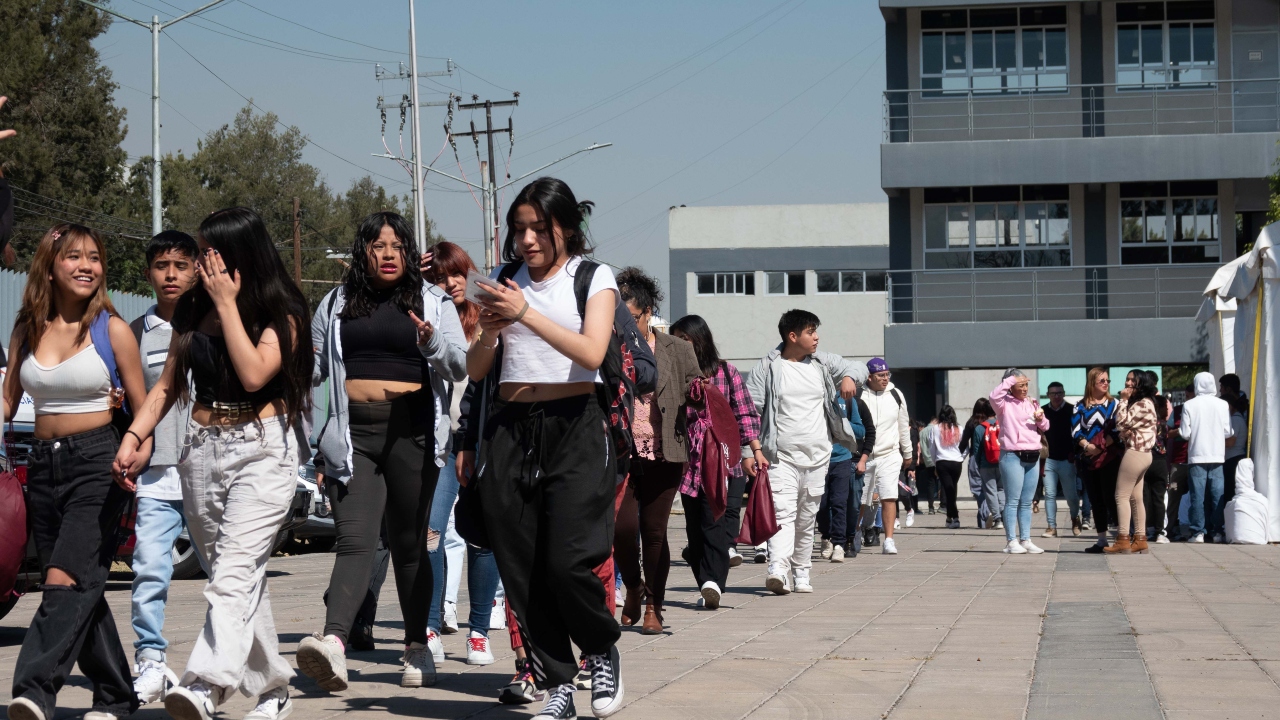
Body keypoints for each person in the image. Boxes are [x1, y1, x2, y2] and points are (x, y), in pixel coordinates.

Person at [114, 207, 315, 720]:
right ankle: (273, 690)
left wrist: (227, 305)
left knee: (231, 575)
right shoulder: (191, 306)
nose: (199, 262)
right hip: (201, 450)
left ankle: (205, 683)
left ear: (238, 253)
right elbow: (167, 385)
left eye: (208, 251)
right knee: (239, 576)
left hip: (262, 449)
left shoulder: (284, 309)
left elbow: (252, 374)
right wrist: (137, 435)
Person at [463, 177, 624, 719]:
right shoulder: (504, 281)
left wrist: (524, 314)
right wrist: (489, 329)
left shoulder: (591, 277)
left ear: (566, 229)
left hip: (575, 423)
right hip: (511, 426)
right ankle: (558, 684)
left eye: (539, 229)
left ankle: (601, 647)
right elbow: (476, 368)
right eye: (518, 229)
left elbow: (594, 350)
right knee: (522, 565)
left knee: (569, 559)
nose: (526, 240)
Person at [299, 212, 468, 693]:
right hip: (354, 436)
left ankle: (417, 645)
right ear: (363, 252)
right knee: (355, 540)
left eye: (397, 245)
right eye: (378, 244)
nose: (388, 253)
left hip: (412, 432)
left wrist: (431, 341)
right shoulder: (333, 304)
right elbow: (315, 374)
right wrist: (313, 445)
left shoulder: (433, 300)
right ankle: (334, 643)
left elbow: (459, 366)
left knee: (411, 546)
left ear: (410, 253)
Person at [6, 223, 150, 720]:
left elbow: (144, 410)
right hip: (42, 466)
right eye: (74, 256)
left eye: (94, 256)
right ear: (50, 265)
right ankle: (115, 695)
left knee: (63, 580)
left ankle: (33, 691)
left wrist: (137, 452)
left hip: (98, 463)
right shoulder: (26, 328)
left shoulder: (111, 330)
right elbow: (7, 401)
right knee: (82, 585)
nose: (87, 265)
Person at [419, 241, 503, 667]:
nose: (448, 284)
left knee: (481, 538)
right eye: (438, 277)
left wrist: (477, 289)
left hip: (484, 441)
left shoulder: (487, 315)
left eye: (456, 274)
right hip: (443, 442)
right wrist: (417, 284)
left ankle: (478, 633)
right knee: (431, 533)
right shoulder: (430, 313)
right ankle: (431, 626)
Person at [128, 231, 199, 706]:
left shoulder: (214, 323)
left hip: (210, 473)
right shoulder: (135, 332)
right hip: (156, 475)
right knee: (149, 569)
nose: (170, 274)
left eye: (179, 264)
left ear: (196, 269)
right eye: (161, 265)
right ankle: (150, 660)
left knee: (230, 578)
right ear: (149, 272)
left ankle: (229, 667)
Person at [745, 309, 861, 592]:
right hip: (779, 456)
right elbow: (749, 411)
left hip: (818, 455)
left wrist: (849, 377)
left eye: (816, 331)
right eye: (811, 332)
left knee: (806, 518)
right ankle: (778, 569)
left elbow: (859, 366)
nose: (816, 337)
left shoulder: (822, 363)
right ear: (792, 336)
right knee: (783, 513)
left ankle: (802, 572)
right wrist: (747, 452)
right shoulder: (768, 368)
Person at [612, 268, 700, 632]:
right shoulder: (606, 345)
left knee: (654, 531)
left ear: (648, 312)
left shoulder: (677, 349)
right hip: (621, 450)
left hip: (666, 451)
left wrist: (696, 392)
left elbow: (696, 388)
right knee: (621, 529)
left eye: (631, 318)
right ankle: (632, 587)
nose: (625, 326)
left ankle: (654, 605)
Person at [670, 315, 764, 605]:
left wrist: (755, 451)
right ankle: (705, 583)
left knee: (715, 522)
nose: (680, 345)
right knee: (694, 528)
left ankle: (714, 581)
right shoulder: (672, 375)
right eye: (676, 339)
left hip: (721, 460)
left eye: (685, 339)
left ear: (699, 340)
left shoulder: (726, 372)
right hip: (687, 462)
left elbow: (744, 413)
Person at [990, 369, 1049, 554]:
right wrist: (1010, 380)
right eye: (1020, 385)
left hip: (1032, 455)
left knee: (1026, 501)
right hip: (1012, 455)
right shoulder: (1003, 403)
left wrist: (1040, 420)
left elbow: (1046, 426)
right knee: (1013, 500)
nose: (1024, 389)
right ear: (1010, 386)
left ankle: (1026, 539)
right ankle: (1011, 541)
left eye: (1026, 385)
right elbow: (993, 395)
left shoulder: (1032, 402)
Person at [858, 358, 911, 554]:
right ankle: (854, 535)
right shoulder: (859, 394)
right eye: (881, 375)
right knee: (861, 499)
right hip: (865, 455)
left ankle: (889, 539)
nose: (885, 378)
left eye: (887, 374)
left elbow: (902, 425)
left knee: (889, 496)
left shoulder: (896, 395)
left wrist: (908, 453)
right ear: (869, 377)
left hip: (889, 454)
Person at [1177, 371, 1233, 544]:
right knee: (1217, 495)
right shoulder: (1223, 404)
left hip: (1197, 455)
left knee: (1197, 496)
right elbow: (1228, 431)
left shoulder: (1189, 405)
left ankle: (1197, 532)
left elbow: (1185, 433)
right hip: (1217, 455)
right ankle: (1217, 531)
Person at [1107, 371, 1159, 554]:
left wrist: (1121, 400)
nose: (1128, 383)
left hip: (1136, 453)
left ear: (1141, 384)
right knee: (1135, 498)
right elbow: (1128, 428)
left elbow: (1121, 423)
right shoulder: (1145, 403)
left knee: (1121, 496)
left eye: (1132, 380)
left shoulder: (1142, 404)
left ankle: (1122, 539)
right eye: (1127, 379)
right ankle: (1140, 539)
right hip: (1143, 453)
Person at [1073, 367, 1122, 553]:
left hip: (1109, 457)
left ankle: (1120, 536)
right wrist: (1088, 447)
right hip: (1087, 458)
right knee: (1095, 498)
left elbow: (1118, 430)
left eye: (1108, 381)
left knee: (1111, 497)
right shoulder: (1080, 405)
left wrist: (1099, 447)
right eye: (1102, 380)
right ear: (1092, 382)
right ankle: (1101, 539)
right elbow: (1075, 430)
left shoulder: (1114, 404)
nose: (1106, 384)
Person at [817, 392, 868, 562]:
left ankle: (839, 543)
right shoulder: (815, 394)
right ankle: (826, 537)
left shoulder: (847, 400)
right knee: (821, 504)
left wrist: (841, 422)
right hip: (818, 459)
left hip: (842, 458)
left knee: (840, 502)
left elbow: (861, 431)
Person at [1040, 381, 1081, 538]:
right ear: (1048, 395)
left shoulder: (1072, 410)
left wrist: (1075, 453)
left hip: (1067, 459)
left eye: (1059, 393)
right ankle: (1051, 526)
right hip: (1049, 458)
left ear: (1064, 394)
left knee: (1071, 495)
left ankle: (1075, 518)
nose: (1056, 396)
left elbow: (1078, 433)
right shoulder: (1042, 412)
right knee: (1049, 493)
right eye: (1053, 393)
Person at [1141, 371, 1172, 545]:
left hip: (1145, 456)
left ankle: (1147, 528)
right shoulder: (1162, 424)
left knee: (1145, 496)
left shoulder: (1142, 412)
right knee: (1158, 497)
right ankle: (1160, 531)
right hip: (1159, 459)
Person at [960, 398, 1000, 529]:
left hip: (977, 459)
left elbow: (964, 443)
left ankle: (986, 514)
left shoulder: (973, 423)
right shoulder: (995, 424)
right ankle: (992, 513)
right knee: (995, 489)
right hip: (996, 459)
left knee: (978, 490)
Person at [1165, 383, 1193, 540]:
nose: (1190, 398)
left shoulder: (1201, 409)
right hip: (1179, 461)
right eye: (1188, 395)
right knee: (1174, 494)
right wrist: (1182, 430)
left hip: (1197, 460)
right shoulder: (1177, 411)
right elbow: (1168, 434)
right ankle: (1169, 528)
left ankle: (1197, 529)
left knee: (1198, 496)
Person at [929, 406, 963, 528]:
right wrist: (961, 457)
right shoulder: (959, 428)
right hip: (956, 462)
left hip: (942, 461)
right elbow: (965, 447)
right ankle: (951, 518)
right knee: (951, 489)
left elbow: (932, 448)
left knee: (949, 490)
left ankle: (954, 517)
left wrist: (935, 462)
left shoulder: (935, 429)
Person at [917, 416, 938, 515]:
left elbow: (919, 447)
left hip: (927, 460)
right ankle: (944, 505)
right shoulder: (935, 430)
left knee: (930, 483)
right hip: (937, 459)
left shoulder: (921, 432)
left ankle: (931, 507)